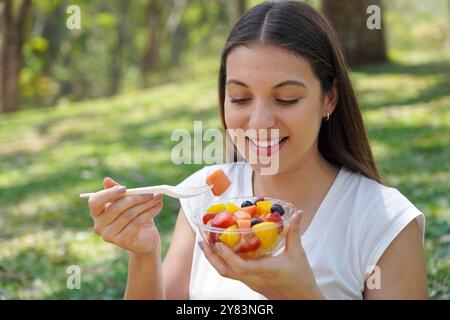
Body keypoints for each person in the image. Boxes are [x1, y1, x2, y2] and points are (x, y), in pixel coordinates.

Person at [87, 1, 428, 299]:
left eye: (286, 99)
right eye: (240, 98)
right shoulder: (204, 193)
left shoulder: (384, 221)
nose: (258, 121)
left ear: (329, 98)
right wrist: (145, 253)